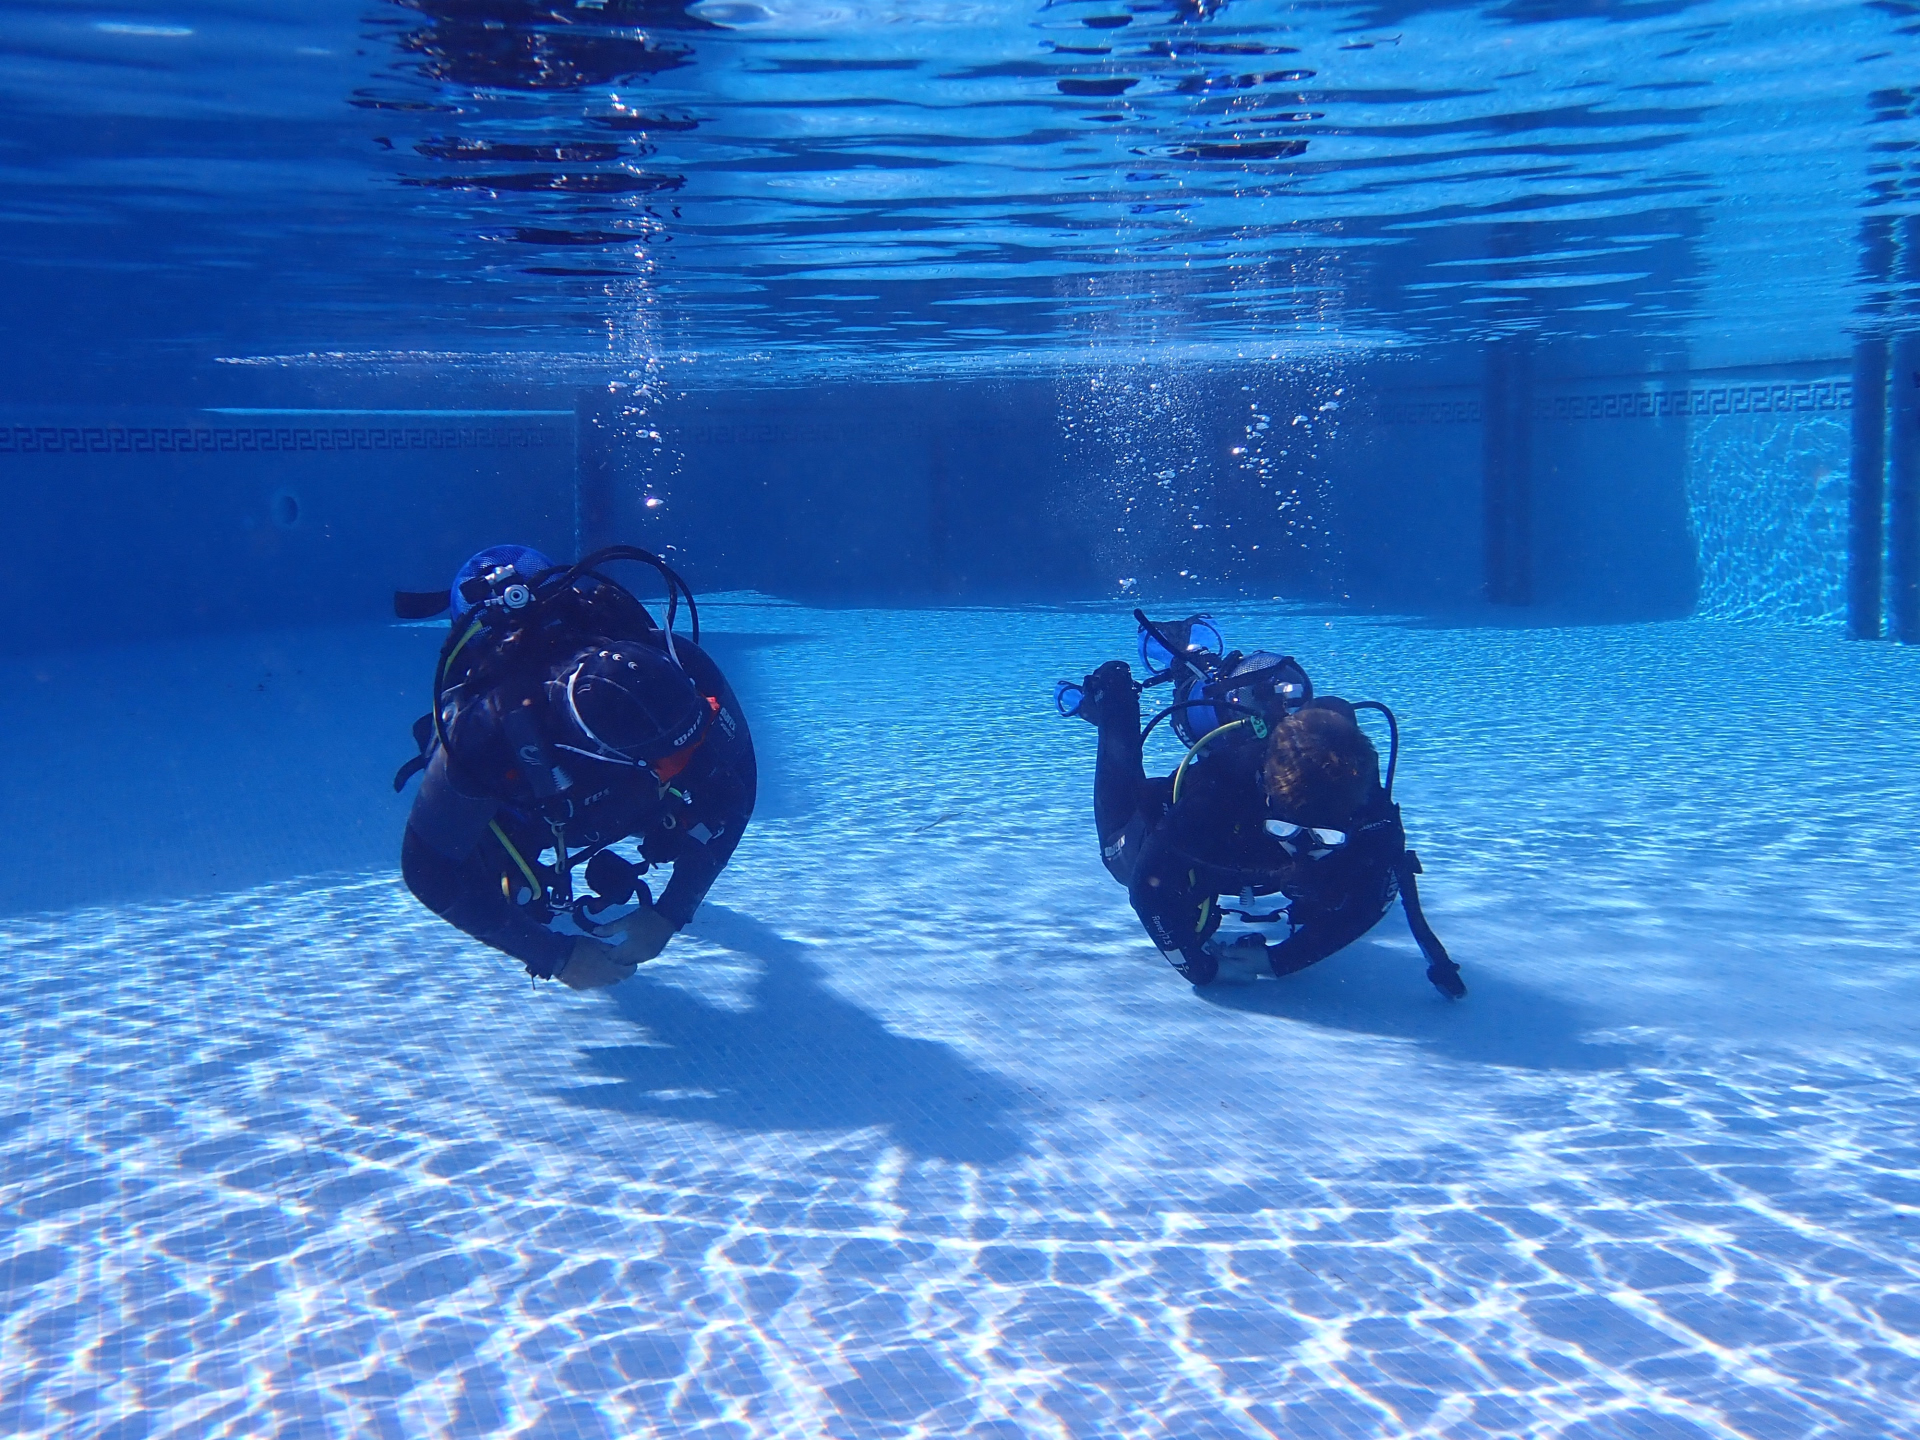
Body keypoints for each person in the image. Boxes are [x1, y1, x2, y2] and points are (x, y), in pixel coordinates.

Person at [395, 544, 755, 990]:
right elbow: (427, 870)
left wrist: (671, 911)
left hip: (614, 788)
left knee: (699, 797)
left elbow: (738, 784)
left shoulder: (678, 664)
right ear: (602, 753)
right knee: (495, 879)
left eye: (689, 745)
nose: (680, 766)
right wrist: (554, 955)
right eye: (669, 759)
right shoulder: (485, 736)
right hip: (536, 798)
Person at [1058, 612, 1463, 997]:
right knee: (1119, 856)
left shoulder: (1367, 801)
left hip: (1258, 846)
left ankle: (1196, 662)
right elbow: (1148, 892)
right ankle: (1116, 705)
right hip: (1223, 838)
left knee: (1339, 883)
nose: (1302, 843)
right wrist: (1201, 970)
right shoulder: (1216, 786)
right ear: (1267, 792)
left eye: (1323, 836)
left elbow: (1374, 897)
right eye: (1286, 829)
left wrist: (1280, 961)